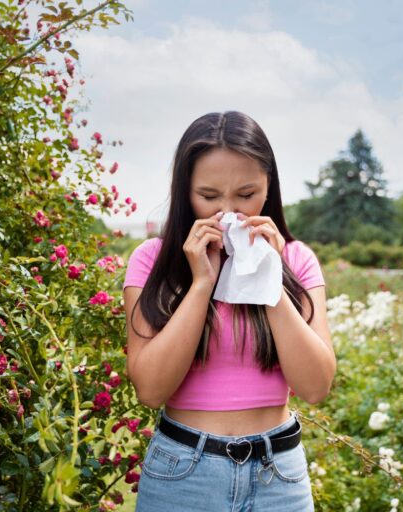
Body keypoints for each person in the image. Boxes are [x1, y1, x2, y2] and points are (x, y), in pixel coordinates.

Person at [123, 111, 335, 511]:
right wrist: (202, 283)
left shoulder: (297, 259)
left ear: (269, 187)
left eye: (246, 193)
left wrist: (268, 279)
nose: (228, 212)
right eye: (209, 197)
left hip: (279, 477)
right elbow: (150, 390)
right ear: (185, 191)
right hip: (183, 474)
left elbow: (315, 386)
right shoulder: (153, 261)